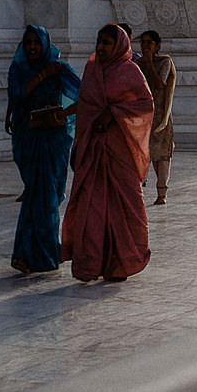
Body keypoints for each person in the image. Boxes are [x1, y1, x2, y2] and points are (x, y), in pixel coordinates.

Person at [61, 24, 153, 282]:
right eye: (98, 42)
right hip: (93, 150)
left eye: (107, 43)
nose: (100, 47)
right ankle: (92, 263)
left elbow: (144, 105)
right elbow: (86, 106)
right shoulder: (92, 70)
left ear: (120, 46)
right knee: (92, 209)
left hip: (119, 151)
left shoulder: (129, 72)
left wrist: (112, 114)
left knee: (125, 207)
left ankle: (122, 262)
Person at [6, 25, 81, 274]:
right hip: (29, 137)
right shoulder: (19, 68)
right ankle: (25, 255)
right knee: (37, 194)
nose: (32, 47)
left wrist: (63, 114)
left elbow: (85, 96)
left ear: (46, 43)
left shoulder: (59, 68)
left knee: (49, 196)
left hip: (54, 139)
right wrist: (41, 76)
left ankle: (47, 251)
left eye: (36, 42)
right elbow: (16, 97)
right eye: (28, 43)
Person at [135, 30, 176, 205]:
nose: (145, 46)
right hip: (142, 114)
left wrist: (150, 62)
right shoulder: (137, 64)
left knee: (163, 155)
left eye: (149, 43)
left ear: (157, 45)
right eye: (143, 43)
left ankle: (162, 192)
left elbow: (159, 84)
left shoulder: (164, 62)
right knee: (146, 153)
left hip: (160, 114)